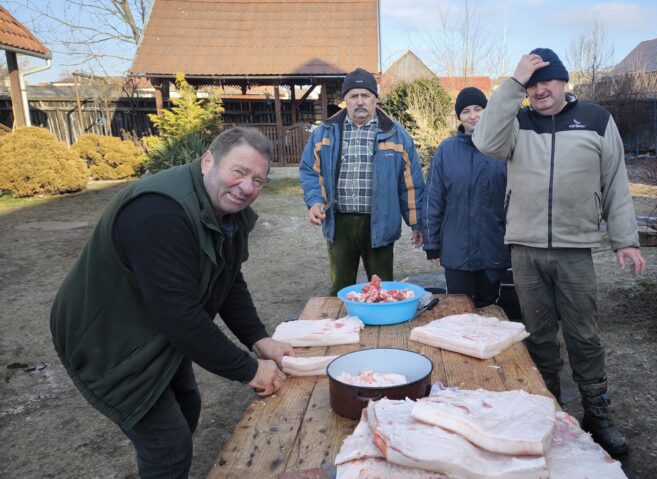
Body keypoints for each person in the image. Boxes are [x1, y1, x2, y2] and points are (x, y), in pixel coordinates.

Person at [50, 127, 295, 478]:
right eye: (239, 171)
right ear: (208, 161)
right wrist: (250, 369)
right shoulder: (159, 212)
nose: (246, 187)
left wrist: (259, 339)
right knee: (168, 445)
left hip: (155, 324)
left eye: (258, 180)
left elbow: (227, 278)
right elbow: (179, 315)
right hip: (108, 337)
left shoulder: (227, 209)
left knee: (187, 406)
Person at [472, 48, 647, 456]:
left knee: (584, 335)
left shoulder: (597, 119)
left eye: (546, 81)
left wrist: (625, 239)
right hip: (526, 248)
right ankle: (547, 411)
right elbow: (484, 141)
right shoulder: (516, 122)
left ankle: (598, 416)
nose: (539, 90)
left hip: (574, 248)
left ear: (563, 82)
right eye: (531, 85)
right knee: (538, 336)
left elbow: (615, 181)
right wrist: (513, 84)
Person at [300, 68, 425, 295]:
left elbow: (411, 184)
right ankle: (341, 319)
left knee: (382, 289)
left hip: (380, 223)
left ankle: (381, 317)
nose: (360, 101)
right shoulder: (324, 132)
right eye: (353, 96)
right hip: (339, 223)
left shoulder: (395, 134)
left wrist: (416, 223)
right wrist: (315, 201)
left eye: (365, 95)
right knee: (341, 289)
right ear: (345, 100)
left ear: (375, 99)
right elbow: (310, 170)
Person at [423, 87, 510, 307]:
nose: (472, 115)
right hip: (457, 252)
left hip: (493, 248)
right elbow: (433, 199)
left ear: (487, 111)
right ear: (459, 117)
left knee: (488, 309)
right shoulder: (446, 150)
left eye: (478, 109)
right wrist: (432, 244)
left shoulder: (503, 148)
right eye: (466, 111)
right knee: (458, 309)